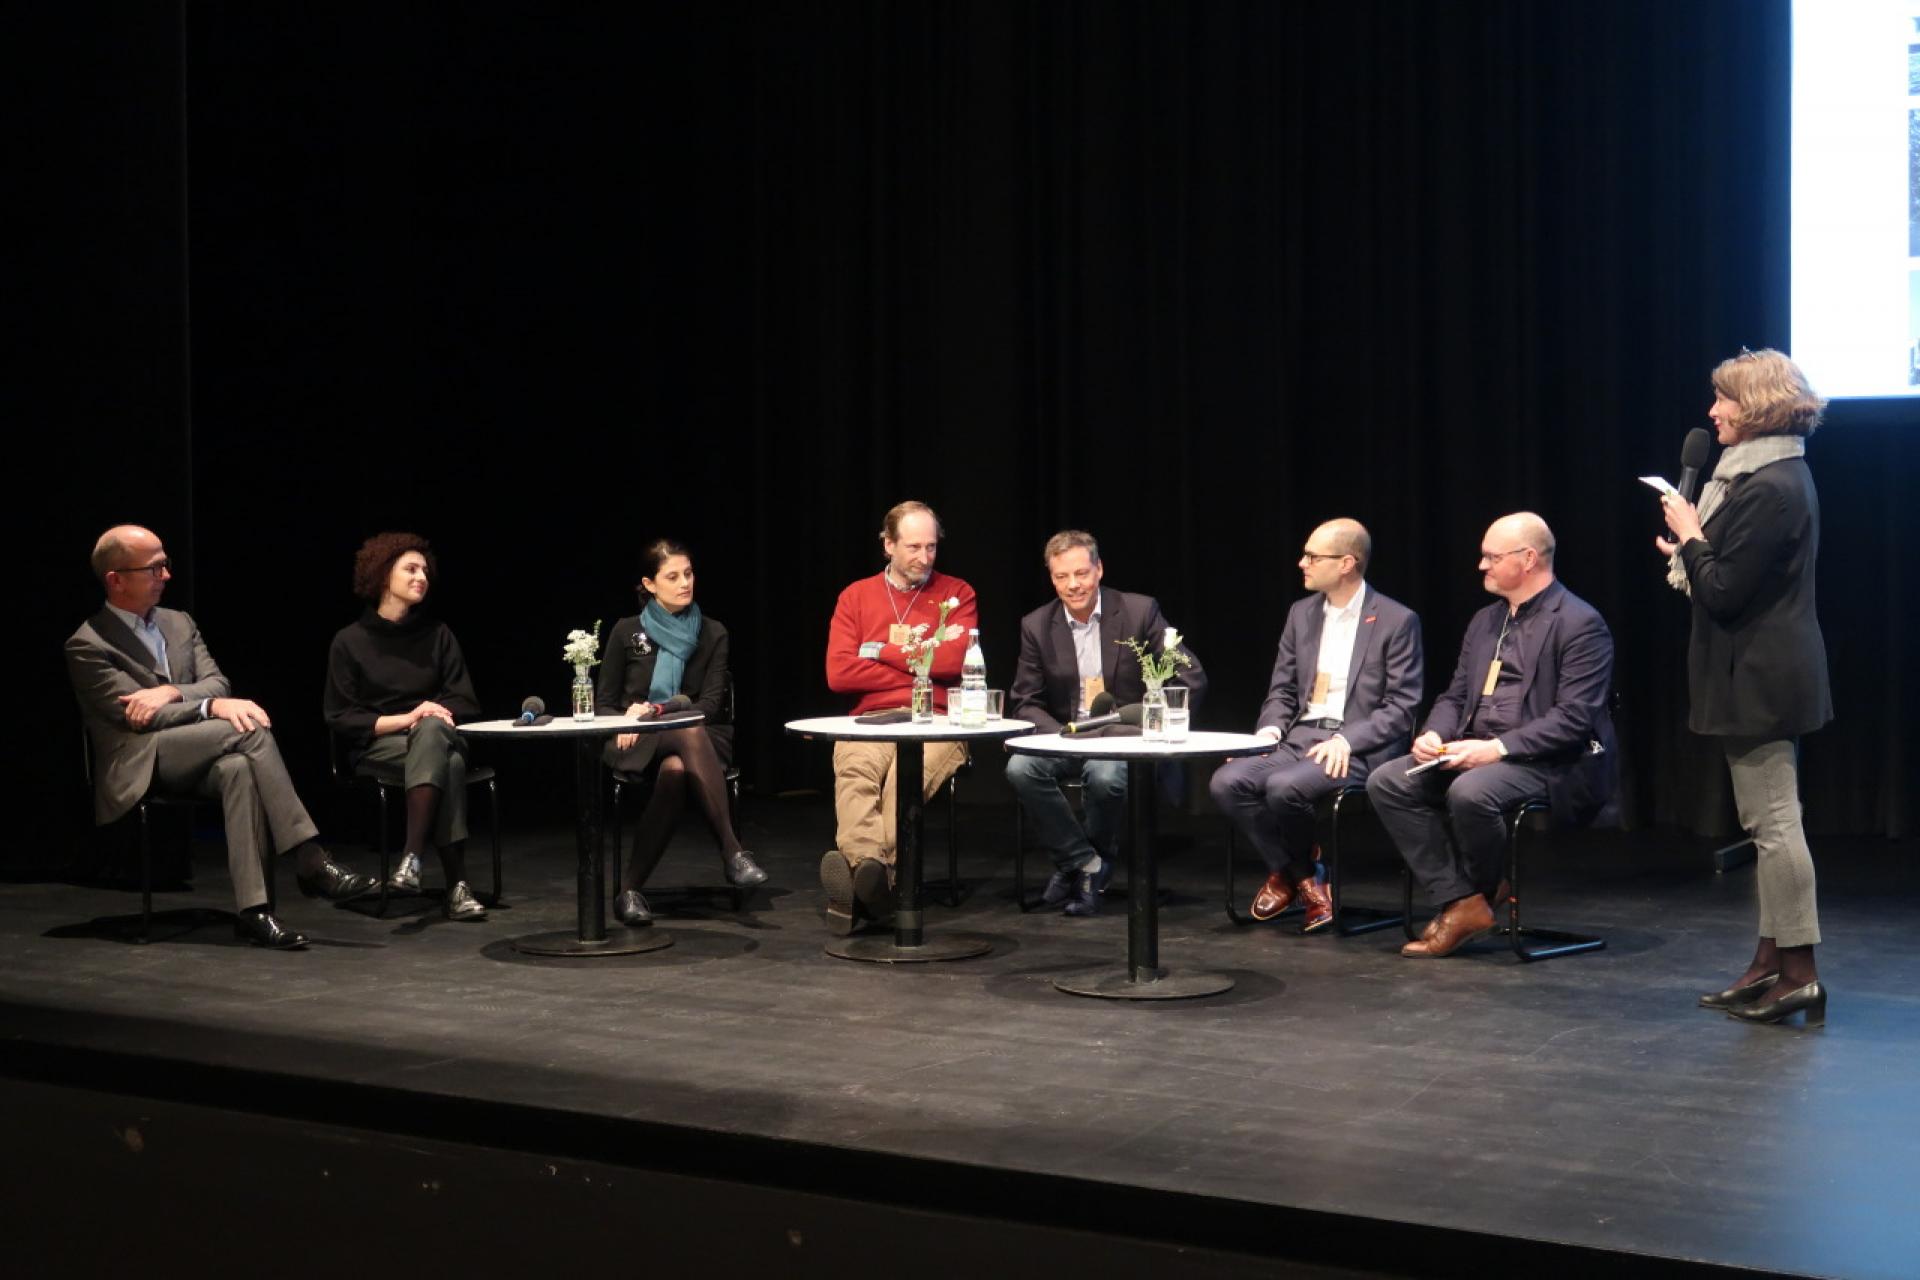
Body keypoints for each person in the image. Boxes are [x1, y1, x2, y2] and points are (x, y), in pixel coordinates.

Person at [67, 525, 378, 949]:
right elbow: (139, 719)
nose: (166, 575)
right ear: (116, 579)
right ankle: (310, 860)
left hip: (204, 749)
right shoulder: (88, 644)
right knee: (245, 728)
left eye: (166, 564)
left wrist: (173, 691)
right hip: (140, 759)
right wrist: (207, 707)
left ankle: (255, 912)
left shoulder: (179, 623)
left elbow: (218, 683)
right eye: (154, 567)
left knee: (238, 768)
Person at [1657, 349, 1831, 1026]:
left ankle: (1801, 973)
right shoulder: (1760, 478)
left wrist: (1693, 538)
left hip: (1762, 676)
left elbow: (1726, 592)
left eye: (1722, 399)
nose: (1712, 412)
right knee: (1767, 826)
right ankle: (1769, 963)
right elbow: (1726, 575)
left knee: (1776, 824)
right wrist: (1693, 553)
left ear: (1755, 406)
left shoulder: (1773, 486)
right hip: (1754, 671)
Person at [1366, 513, 1615, 958]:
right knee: (1388, 780)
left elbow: (1574, 719)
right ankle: (1463, 900)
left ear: (1528, 559)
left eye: (1491, 557)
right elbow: (1456, 693)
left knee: (1469, 793)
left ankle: (1474, 895)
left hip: (1551, 761)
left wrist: (1496, 749)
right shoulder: (1485, 621)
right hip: (1472, 747)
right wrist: (1432, 734)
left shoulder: (1579, 623)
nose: (1482, 565)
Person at [1209, 519, 1422, 931]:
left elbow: (1402, 706)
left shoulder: (1397, 620)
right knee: (1227, 781)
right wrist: (1268, 732)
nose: (1302, 562)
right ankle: (1305, 876)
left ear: (1346, 563)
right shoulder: (1301, 614)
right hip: (1302, 737)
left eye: (1312, 556)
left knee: (1284, 788)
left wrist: (1349, 738)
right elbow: (1283, 690)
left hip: (1358, 745)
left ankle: (1291, 875)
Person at [1007, 529, 1205, 916]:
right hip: (1068, 737)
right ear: (1051, 577)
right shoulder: (1036, 625)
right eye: (1062, 577)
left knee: (1106, 775)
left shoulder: (1138, 611)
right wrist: (1062, 737)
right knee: (1020, 768)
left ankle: (1080, 871)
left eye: (1081, 573)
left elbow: (1190, 676)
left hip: (1123, 738)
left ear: (1099, 569)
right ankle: (1085, 864)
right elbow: (1024, 701)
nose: (1073, 585)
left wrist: (1159, 726)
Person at [821, 501, 979, 933]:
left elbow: (952, 662)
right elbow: (839, 672)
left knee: (899, 786)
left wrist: (881, 651)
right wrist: (920, 664)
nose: (924, 558)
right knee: (855, 773)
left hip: (941, 720)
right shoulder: (856, 596)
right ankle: (871, 882)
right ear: (888, 545)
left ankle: (859, 884)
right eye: (913, 547)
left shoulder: (957, 593)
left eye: (931, 547)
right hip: (872, 718)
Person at [595, 538, 765, 926]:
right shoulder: (625, 632)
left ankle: (629, 892)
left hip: (704, 735)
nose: (685, 583)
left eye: (688, 573)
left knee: (676, 766)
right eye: (672, 576)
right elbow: (604, 703)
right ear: (650, 584)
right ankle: (733, 853)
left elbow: (707, 706)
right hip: (635, 738)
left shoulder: (714, 633)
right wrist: (625, 721)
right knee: (682, 737)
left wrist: (657, 709)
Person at [324, 532, 489, 921]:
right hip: (381, 746)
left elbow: (465, 700)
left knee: (432, 732)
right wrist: (408, 719)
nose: (422, 577)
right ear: (384, 577)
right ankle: (457, 885)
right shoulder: (349, 641)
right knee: (449, 764)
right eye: (411, 569)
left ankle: (411, 856)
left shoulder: (438, 635)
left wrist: (427, 716)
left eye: (425, 571)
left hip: (438, 735)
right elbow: (341, 716)